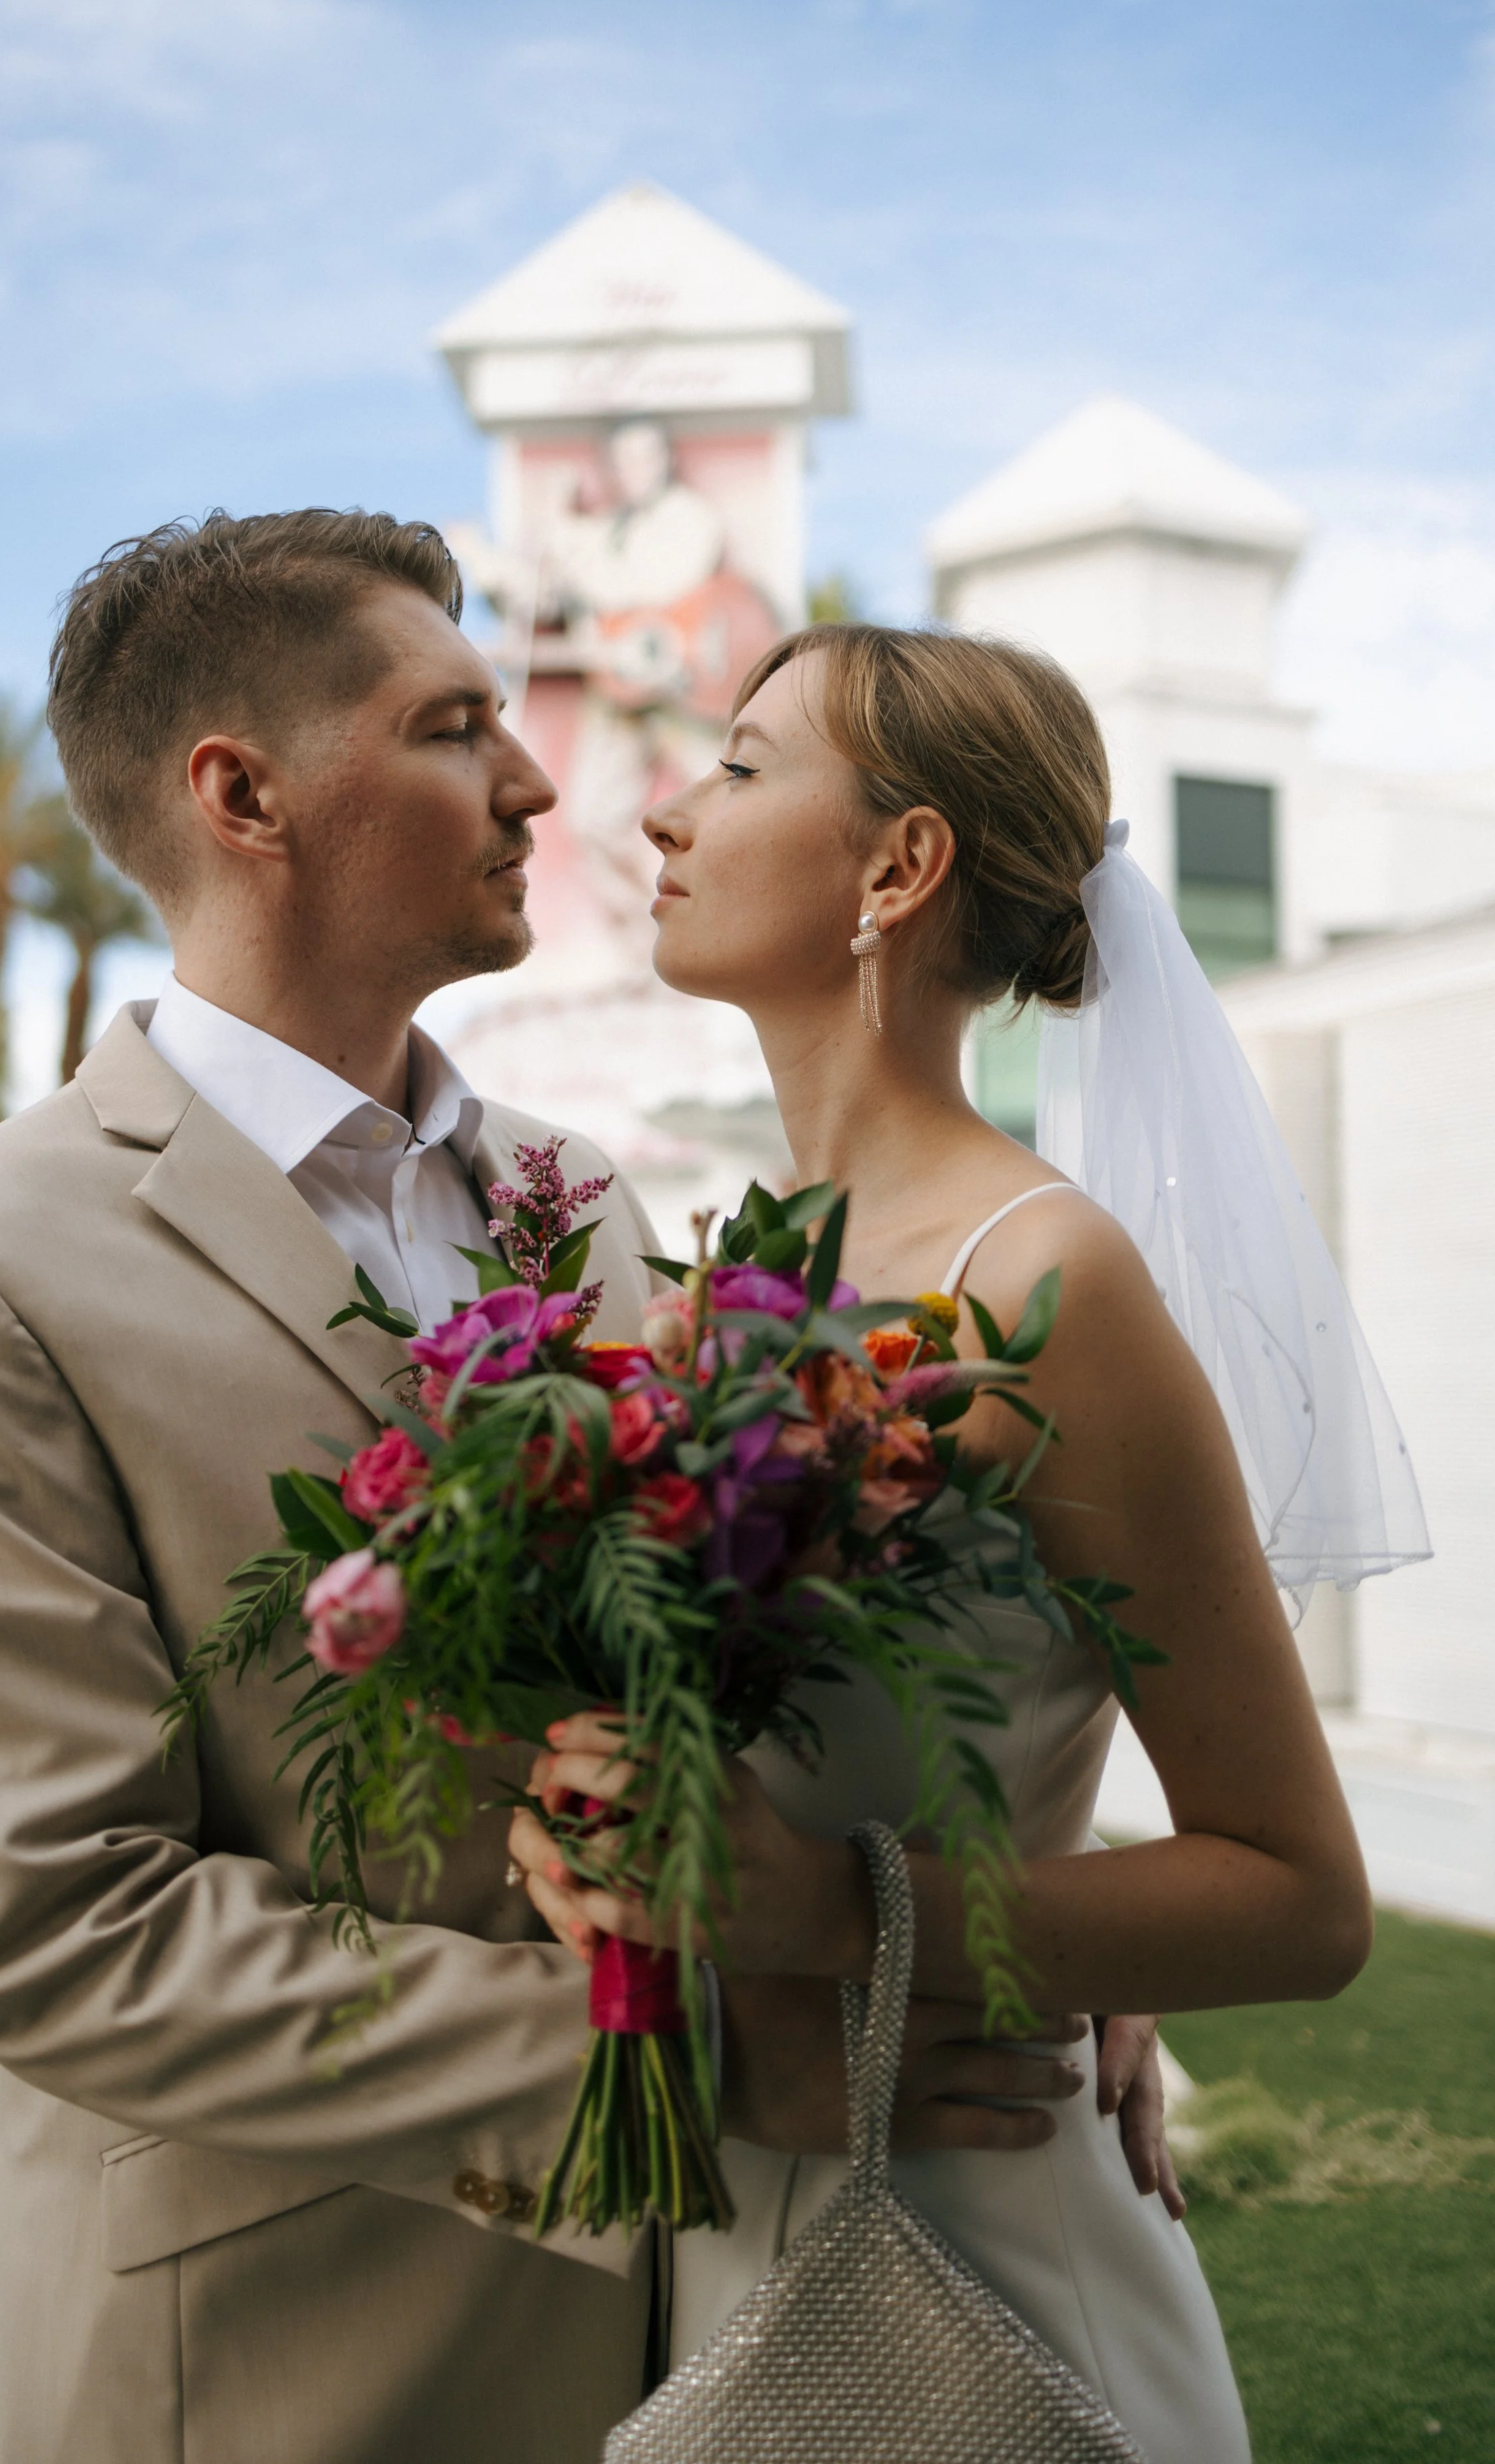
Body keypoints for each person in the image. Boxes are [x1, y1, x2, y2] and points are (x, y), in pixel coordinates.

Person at [0, 518, 1160, 2464]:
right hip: (259, 2366)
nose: (541, 778)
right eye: (457, 727)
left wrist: (1015, 1909)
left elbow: (756, 1638)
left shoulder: (579, 1197)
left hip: (670, 2339)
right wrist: (693, 2056)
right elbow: (67, 1934)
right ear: (243, 791)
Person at [511, 621, 1387, 2463]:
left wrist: (853, 1912)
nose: (666, 809)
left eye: (741, 769)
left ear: (898, 869)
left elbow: (1299, 1893)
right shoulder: (739, 1272)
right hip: (731, 2220)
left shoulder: (1042, 1282)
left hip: (985, 2275)